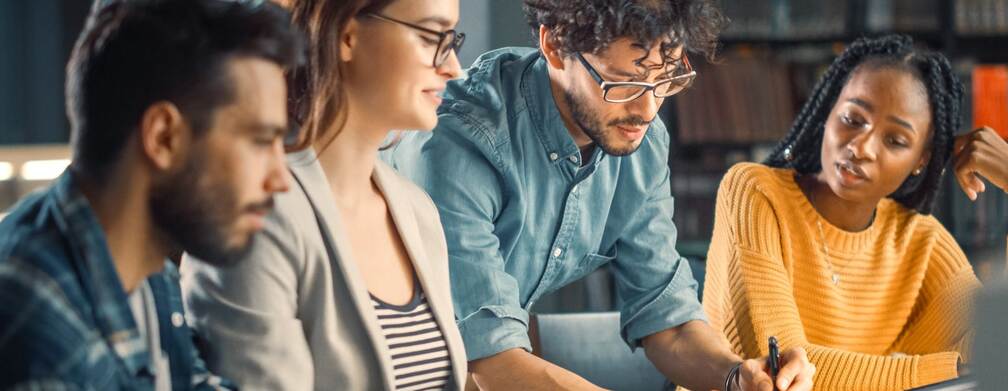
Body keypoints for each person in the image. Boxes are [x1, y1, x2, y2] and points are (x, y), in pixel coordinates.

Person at [384, 1, 815, 390]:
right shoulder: (459, 141)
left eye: (665, 80)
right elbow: (491, 359)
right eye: (623, 83)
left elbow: (666, 318)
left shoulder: (641, 142)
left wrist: (736, 376)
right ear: (554, 45)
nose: (647, 111)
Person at [700, 34, 1008, 391]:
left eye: (895, 140)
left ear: (921, 161)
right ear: (828, 111)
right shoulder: (755, 193)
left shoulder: (921, 243)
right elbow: (784, 375)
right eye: (853, 118)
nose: (861, 147)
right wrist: (958, 371)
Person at [0, 0, 302, 388]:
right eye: (261, 142)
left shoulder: (146, 272)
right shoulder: (38, 332)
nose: (281, 180)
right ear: (163, 137)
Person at [180, 0, 467, 389]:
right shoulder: (253, 215)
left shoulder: (418, 212)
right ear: (346, 36)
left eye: (453, 41)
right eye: (432, 36)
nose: (453, 68)